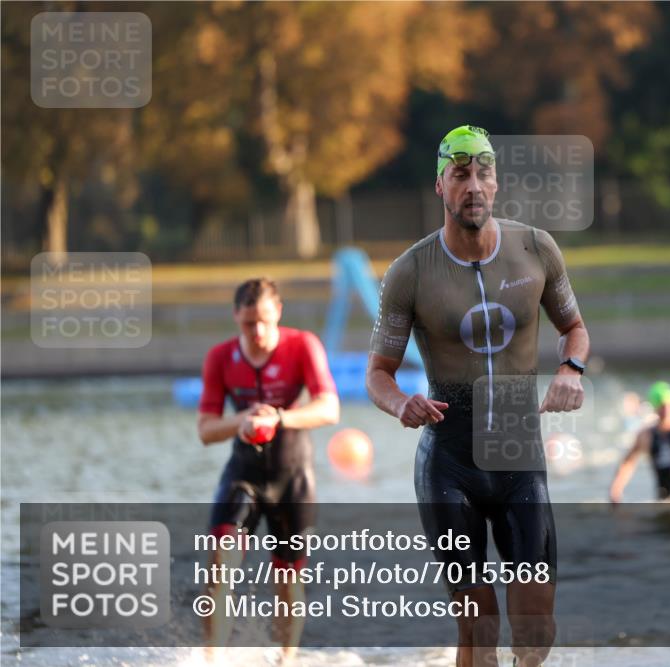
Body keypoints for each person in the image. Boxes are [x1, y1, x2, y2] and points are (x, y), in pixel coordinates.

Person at [366, 125, 590, 667]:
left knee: (536, 629)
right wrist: (401, 404)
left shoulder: (537, 248)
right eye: (460, 174)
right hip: (450, 459)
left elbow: (574, 328)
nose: (473, 186)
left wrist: (570, 369)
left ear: (496, 183)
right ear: (440, 186)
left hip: (518, 454)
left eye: (482, 173)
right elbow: (378, 372)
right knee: (480, 624)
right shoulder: (410, 272)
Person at [197, 278, 340, 666]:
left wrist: (279, 418)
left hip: (292, 476)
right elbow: (206, 429)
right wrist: (242, 419)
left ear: (277, 312)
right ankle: (211, 659)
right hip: (243, 475)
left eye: (263, 321)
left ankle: (285, 660)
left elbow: (330, 408)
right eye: (247, 324)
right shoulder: (220, 358)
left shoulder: (302, 346)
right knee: (219, 563)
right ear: (235, 318)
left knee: (288, 580)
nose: (257, 333)